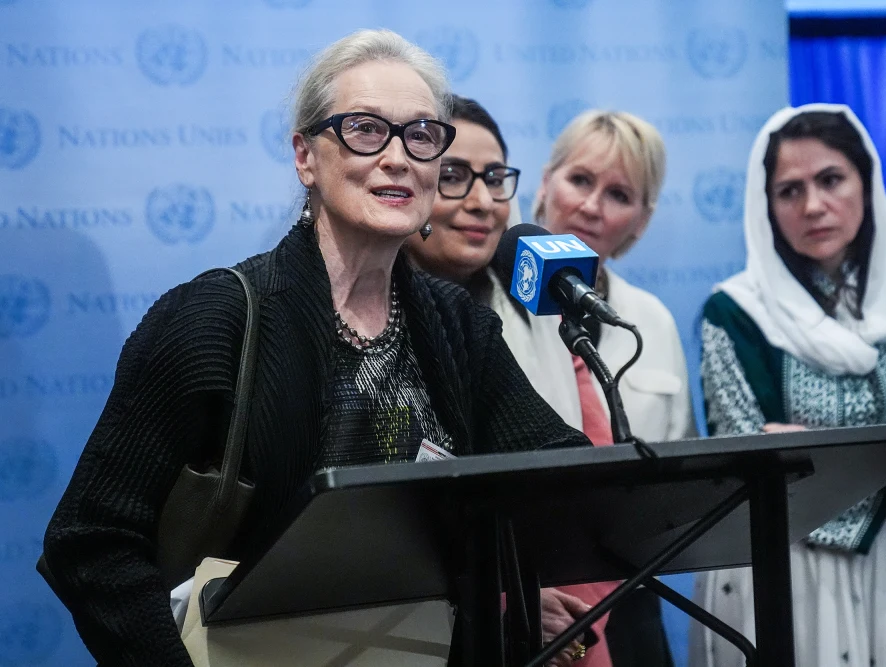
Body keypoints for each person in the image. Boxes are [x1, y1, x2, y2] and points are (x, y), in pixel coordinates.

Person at [40, 30, 591, 667]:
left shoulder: (456, 326)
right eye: (363, 129)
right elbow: (90, 542)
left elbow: (556, 476)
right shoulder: (211, 320)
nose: (397, 157)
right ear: (305, 156)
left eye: (420, 135)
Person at [688, 104, 886, 667]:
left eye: (831, 179)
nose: (813, 206)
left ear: (866, 181)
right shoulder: (733, 312)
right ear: (766, 206)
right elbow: (743, 445)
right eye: (788, 190)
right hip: (785, 558)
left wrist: (882, 479)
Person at [406, 101, 689, 666]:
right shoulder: (479, 303)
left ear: (643, 216)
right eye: (580, 179)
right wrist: (508, 595)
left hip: (619, 594)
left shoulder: (638, 319)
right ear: (545, 182)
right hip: (489, 606)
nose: (591, 206)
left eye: (620, 194)